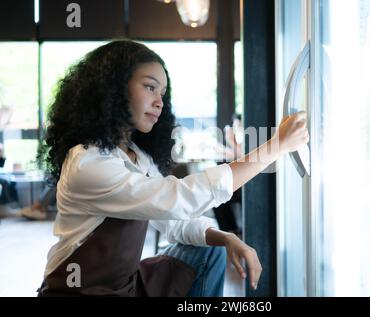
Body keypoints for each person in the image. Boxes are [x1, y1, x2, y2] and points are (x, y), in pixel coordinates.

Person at [36, 40, 309, 297]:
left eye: (163, 93)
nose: (159, 101)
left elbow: (174, 223)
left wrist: (225, 237)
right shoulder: (87, 163)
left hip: (124, 287)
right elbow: (177, 200)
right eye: (150, 87)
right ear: (114, 87)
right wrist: (276, 145)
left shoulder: (136, 156)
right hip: (79, 291)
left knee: (209, 251)